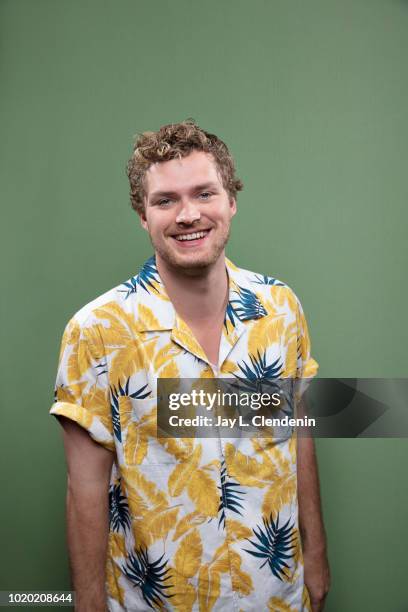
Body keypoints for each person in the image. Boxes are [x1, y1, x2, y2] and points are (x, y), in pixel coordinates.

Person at [50, 120, 330, 611]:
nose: (188, 215)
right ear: (143, 214)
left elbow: (299, 432)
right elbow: (85, 489)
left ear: (231, 201)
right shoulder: (96, 331)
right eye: (165, 200)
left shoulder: (281, 308)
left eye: (204, 193)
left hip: (276, 597)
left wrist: (319, 556)